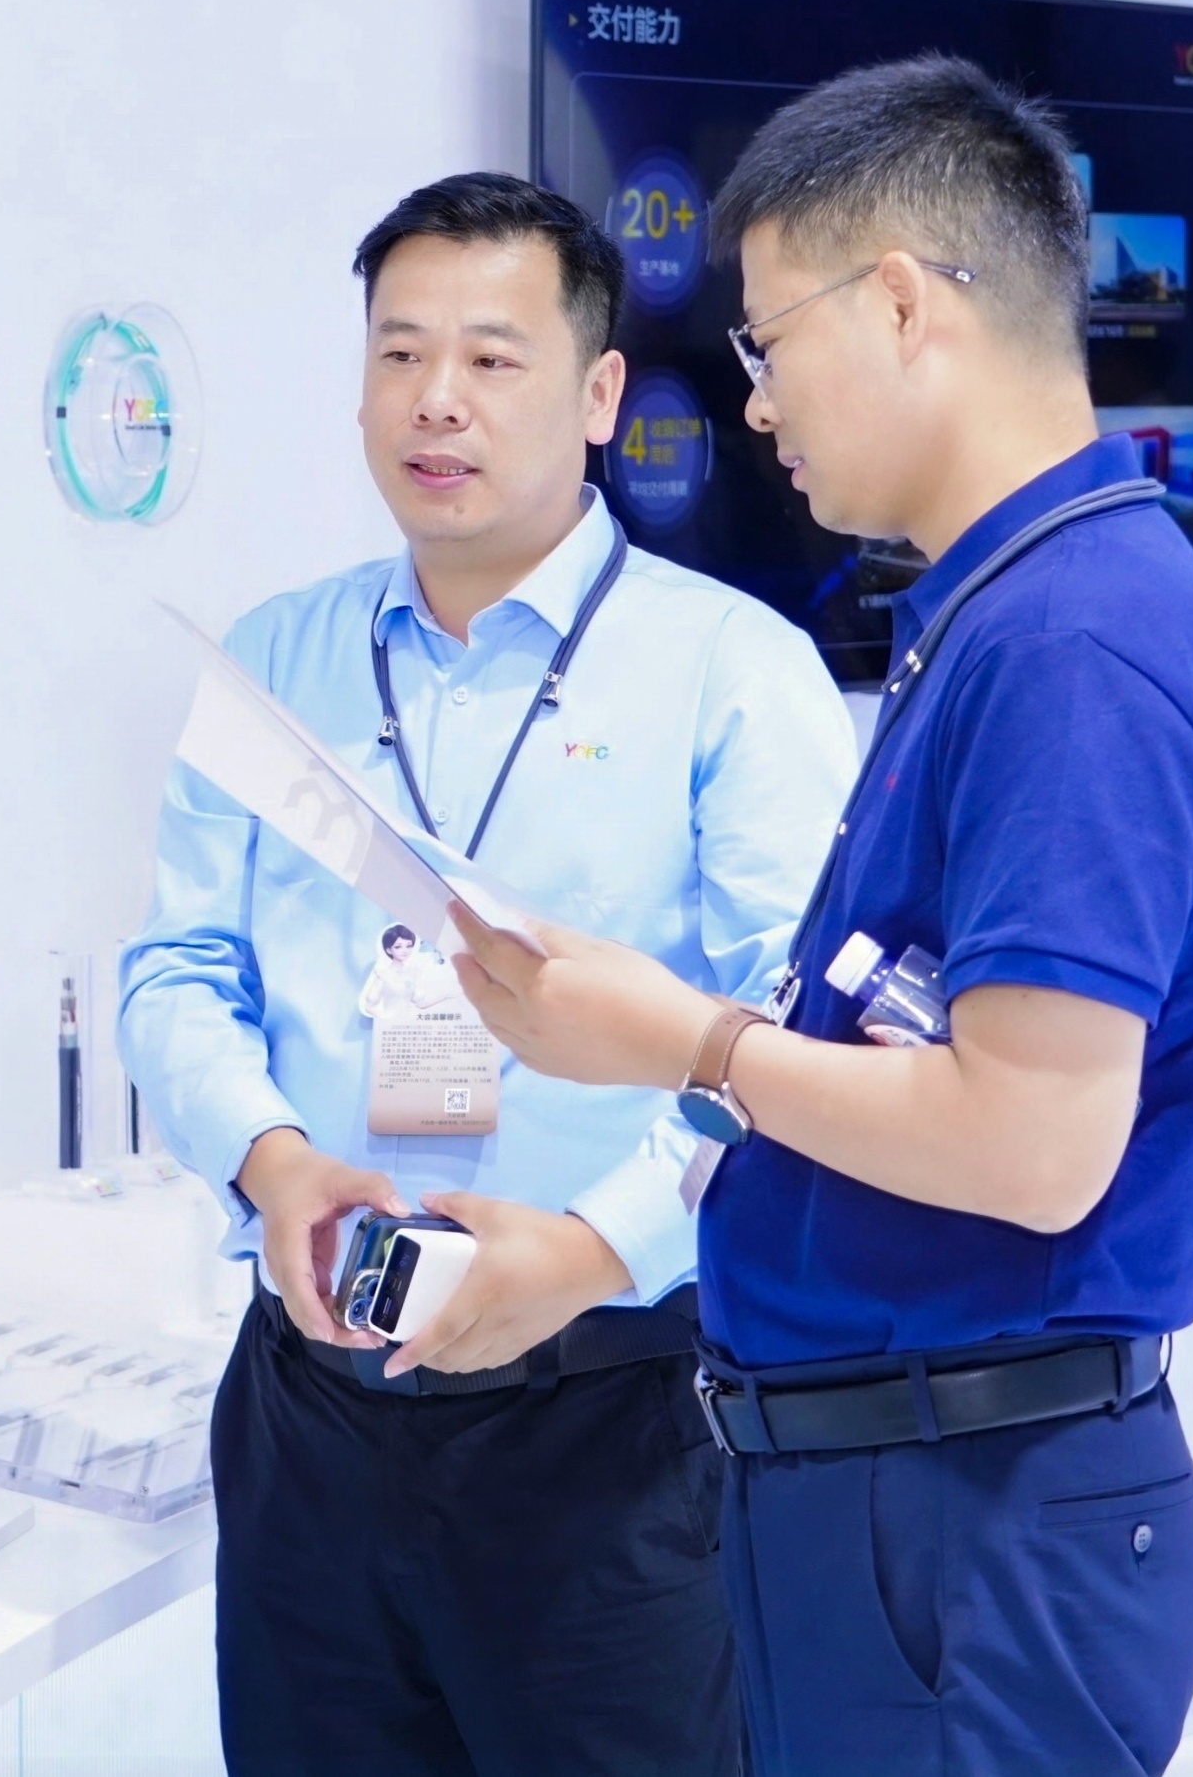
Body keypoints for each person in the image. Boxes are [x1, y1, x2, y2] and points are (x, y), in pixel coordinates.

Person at [450, 58, 1193, 1777]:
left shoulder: (1069, 646)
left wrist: (683, 1039)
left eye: (768, 344)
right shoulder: (1003, 612)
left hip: (967, 1525)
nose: (755, 405)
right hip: (901, 1503)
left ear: (902, 302)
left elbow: (1033, 1142)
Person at [119, 171, 854, 1777]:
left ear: (599, 395)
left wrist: (592, 1252)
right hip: (314, 1412)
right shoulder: (279, 657)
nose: (434, 400)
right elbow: (177, 968)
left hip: (614, 1425)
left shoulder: (732, 674)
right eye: (398, 354)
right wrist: (274, 1157)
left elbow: (800, 1051)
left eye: (491, 358)